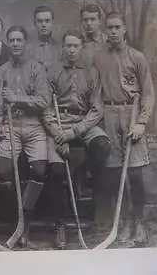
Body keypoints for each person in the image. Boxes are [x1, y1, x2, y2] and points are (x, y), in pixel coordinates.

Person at [43, 29, 111, 249]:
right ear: (63, 47)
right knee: (55, 169)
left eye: (76, 46)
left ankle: (84, 173)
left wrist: (75, 132)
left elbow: (96, 110)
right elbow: (45, 110)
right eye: (68, 46)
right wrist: (57, 132)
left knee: (102, 145)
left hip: (83, 124)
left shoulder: (92, 73)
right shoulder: (52, 72)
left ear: (82, 48)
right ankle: (59, 225)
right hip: (59, 125)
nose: (72, 50)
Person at [0, 25, 49, 248]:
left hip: (33, 126)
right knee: (3, 171)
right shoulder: (2, 70)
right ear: (7, 43)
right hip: (10, 126)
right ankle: (16, 221)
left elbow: (43, 101)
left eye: (19, 40)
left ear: (26, 42)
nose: (15, 44)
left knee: (39, 170)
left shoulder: (37, 69)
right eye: (11, 40)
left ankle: (26, 222)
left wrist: (17, 98)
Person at [93, 12, 155, 246]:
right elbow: (95, 91)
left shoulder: (137, 57)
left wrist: (142, 122)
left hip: (132, 113)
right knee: (112, 173)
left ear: (125, 29)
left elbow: (148, 93)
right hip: (108, 115)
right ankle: (117, 224)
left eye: (117, 27)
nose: (113, 31)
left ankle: (137, 222)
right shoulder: (98, 58)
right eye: (109, 27)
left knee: (135, 174)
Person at [29, 6, 61, 71]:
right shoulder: (28, 49)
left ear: (52, 22)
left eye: (47, 21)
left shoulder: (60, 49)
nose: (43, 25)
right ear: (35, 24)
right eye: (40, 21)